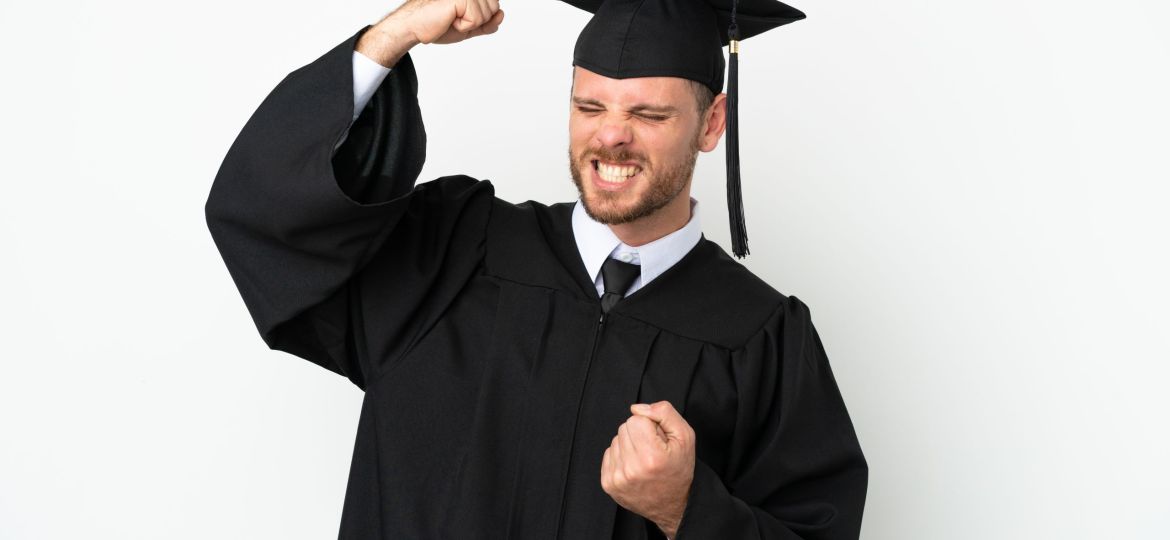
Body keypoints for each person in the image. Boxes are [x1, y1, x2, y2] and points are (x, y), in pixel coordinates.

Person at [205, 0, 868, 538]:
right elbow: (268, 217)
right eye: (590, 107)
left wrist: (686, 511)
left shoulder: (760, 338)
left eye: (648, 113)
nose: (611, 136)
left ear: (711, 122)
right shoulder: (453, 249)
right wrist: (393, 35)